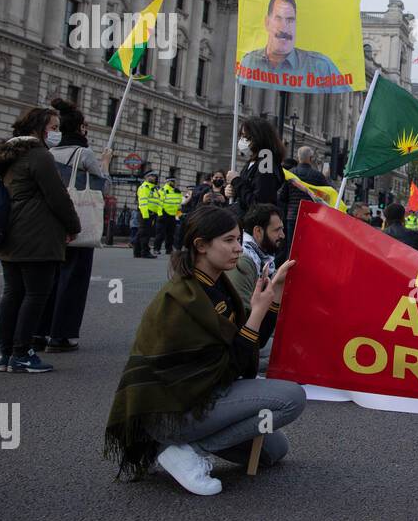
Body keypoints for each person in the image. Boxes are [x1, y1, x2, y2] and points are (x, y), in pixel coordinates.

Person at [104, 206, 305, 496]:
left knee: (273, 451)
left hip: (202, 396)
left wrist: (274, 298)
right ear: (201, 245)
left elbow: (251, 346)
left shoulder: (216, 283)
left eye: (238, 239)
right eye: (228, 240)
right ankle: (187, 449)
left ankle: (184, 447)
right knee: (292, 399)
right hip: (171, 411)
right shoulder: (182, 298)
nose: (238, 248)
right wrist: (257, 314)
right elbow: (229, 366)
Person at [0, 106, 82, 374]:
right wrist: (73, 225)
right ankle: (22, 352)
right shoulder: (38, 155)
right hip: (36, 233)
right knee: (36, 294)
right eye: (53, 127)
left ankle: (6, 354)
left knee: (13, 293)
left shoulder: (11, 154)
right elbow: (57, 196)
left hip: (10, 231)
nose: (56, 133)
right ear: (38, 128)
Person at [36, 98, 112, 352]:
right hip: (78, 222)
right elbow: (104, 185)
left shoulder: (48, 153)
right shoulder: (84, 153)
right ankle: (63, 335)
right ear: (80, 129)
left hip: (50, 224)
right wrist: (105, 163)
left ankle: (40, 330)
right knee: (74, 280)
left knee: (49, 279)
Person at [236, 0, 343, 92]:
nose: (284, 28)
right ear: (267, 22)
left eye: (290, 20)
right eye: (278, 19)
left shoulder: (322, 67)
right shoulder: (248, 62)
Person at [224, 202, 285, 317]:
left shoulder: (263, 258)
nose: (282, 235)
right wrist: (276, 285)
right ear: (258, 231)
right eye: (277, 230)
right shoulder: (243, 261)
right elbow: (245, 319)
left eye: (282, 229)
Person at [228, 116, 285, 217]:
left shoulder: (266, 162)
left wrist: (236, 181)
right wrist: (233, 191)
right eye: (241, 136)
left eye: (246, 137)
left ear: (259, 138)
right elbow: (248, 191)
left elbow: (260, 203)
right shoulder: (253, 161)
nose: (242, 141)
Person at [276, 146, 330, 252]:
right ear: (311, 158)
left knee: (292, 248)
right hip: (311, 217)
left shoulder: (290, 174)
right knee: (309, 248)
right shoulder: (318, 176)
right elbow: (325, 197)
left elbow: (282, 196)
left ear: (298, 158)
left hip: (292, 216)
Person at [135, 170, 160, 259]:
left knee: (142, 232)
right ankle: (145, 252)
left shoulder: (154, 188)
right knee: (145, 233)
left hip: (152, 214)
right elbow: (143, 202)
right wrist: (146, 214)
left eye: (154, 176)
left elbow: (157, 202)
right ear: (146, 177)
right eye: (151, 176)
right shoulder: (144, 187)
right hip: (145, 213)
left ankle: (137, 251)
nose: (153, 178)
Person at [156, 177, 183, 254]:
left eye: (174, 181)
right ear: (167, 182)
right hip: (163, 214)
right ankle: (156, 248)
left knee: (171, 234)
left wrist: (179, 216)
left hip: (173, 215)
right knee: (160, 233)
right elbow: (160, 203)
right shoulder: (162, 190)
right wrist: (160, 214)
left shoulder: (177, 192)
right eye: (172, 181)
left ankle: (169, 249)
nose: (174, 183)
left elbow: (179, 205)